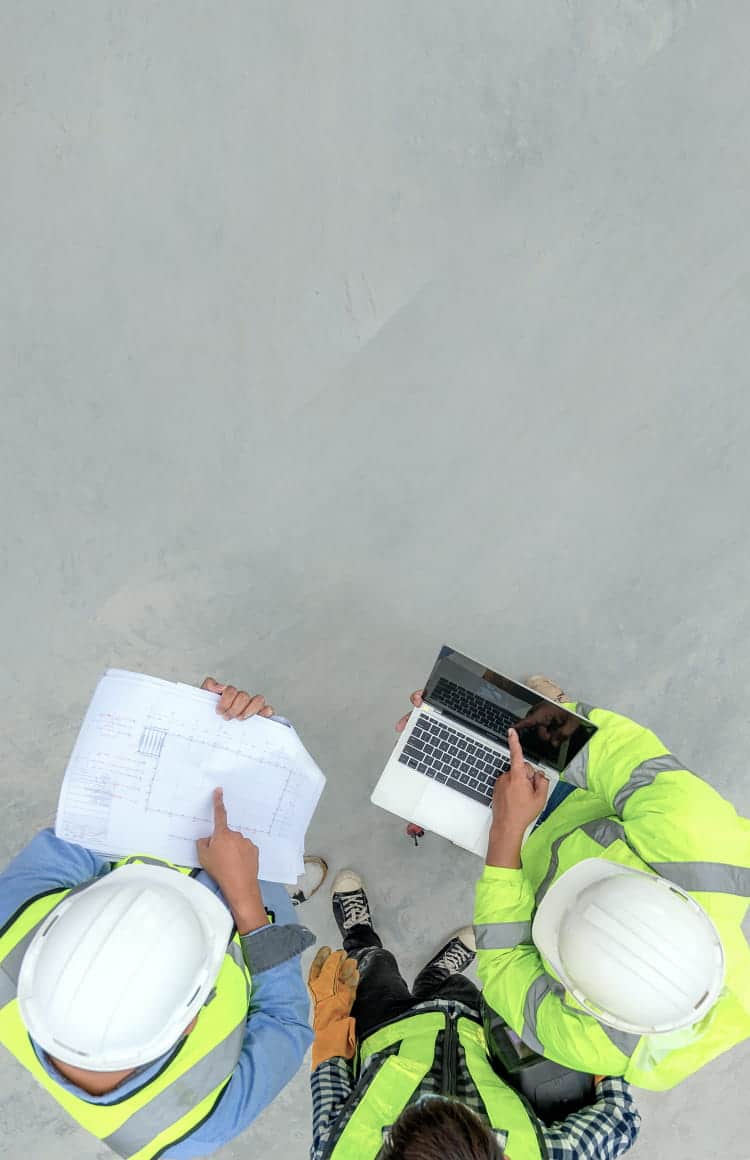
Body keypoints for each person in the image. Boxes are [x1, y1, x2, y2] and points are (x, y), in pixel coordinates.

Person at [0, 676, 316, 1160]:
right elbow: (283, 1021)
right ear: (190, 1020)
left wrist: (201, 738)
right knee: (270, 874)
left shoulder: (9, 929)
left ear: (61, 921)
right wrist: (252, 900)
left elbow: (98, 822)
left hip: (229, 876)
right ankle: (277, 876)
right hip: (247, 888)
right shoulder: (202, 1125)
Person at [396, 674, 750, 1091]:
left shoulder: (593, 1043)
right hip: (575, 795)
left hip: (513, 852)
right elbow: (608, 751)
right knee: (509, 712)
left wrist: (505, 836)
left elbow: (504, 960)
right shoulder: (702, 843)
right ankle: (551, 700)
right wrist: (501, 722)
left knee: (437, 775)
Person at [307, 869, 641, 1159]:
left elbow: (331, 1088)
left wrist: (331, 1019)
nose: (433, 1097)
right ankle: (435, 978)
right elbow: (619, 1119)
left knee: (373, 966)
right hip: (471, 1030)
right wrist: (601, 1043)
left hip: (384, 1028)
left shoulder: (339, 1152)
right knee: (456, 985)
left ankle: (360, 937)